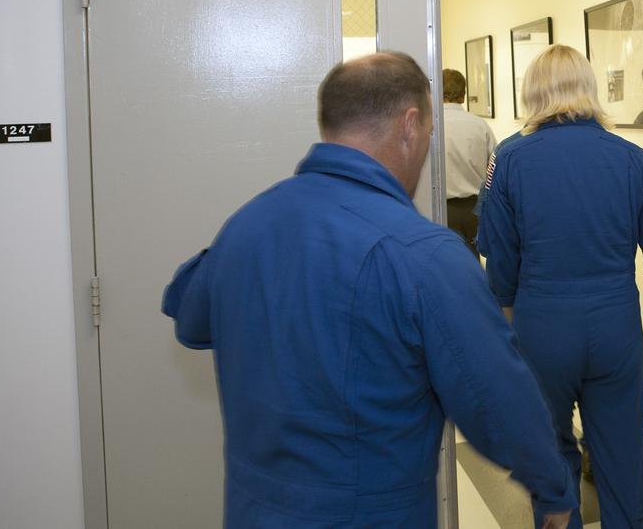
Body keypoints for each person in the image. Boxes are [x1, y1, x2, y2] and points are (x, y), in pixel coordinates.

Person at [162, 52, 574, 529]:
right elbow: (499, 405)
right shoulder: (426, 255)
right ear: (410, 125)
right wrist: (552, 489)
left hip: (254, 511)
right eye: (428, 135)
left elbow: (188, 316)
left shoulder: (248, 223)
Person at [478, 44, 643, 529]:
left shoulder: (507, 159)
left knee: (550, 459)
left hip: (542, 327)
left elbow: (500, 262)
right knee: (624, 458)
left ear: (532, 92)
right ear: (589, 89)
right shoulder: (635, 159)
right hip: (615, 325)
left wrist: (507, 335)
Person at [442, 67, 496, 256]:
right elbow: (494, 170)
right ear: (463, 95)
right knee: (474, 264)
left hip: (443, 209)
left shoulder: (431, 125)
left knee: (447, 264)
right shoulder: (480, 126)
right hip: (476, 210)